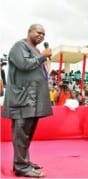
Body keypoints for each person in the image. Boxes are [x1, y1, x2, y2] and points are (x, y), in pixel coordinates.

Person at [1, 24, 53, 178]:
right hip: (22, 98)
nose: (41, 36)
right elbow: (24, 65)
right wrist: (43, 56)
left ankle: (23, 161)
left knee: (27, 134)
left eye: (44, 34)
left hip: (32, 100)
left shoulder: (34, 50)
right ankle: (21, 166)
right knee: (21, 133)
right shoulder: (19, 46)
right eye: (38, 32)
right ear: (29, 31)